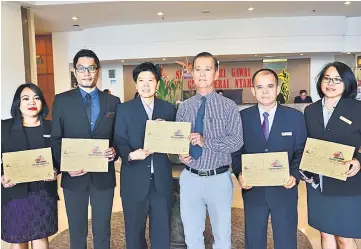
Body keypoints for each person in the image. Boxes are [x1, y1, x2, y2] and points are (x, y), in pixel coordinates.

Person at [51, 49, 121, 249]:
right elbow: (56, 138)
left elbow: (118, 137)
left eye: (91, 68)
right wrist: (65, 166)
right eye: (82, 68)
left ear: (97, 71)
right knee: (77, 231)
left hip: (103, 177)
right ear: (75, 71)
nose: (87, 72)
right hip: (74, 177)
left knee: (102, 230)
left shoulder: (113, 102)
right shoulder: (62, 100)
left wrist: (114, 150)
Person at [232, 68, 307, 249]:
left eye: (270, 86)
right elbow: (236, 151)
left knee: (286, 240)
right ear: (253, 90)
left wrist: (295, 175)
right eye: (260, 87)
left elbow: (301, 151)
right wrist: (239, 173)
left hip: (284, 190)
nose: (265, 91)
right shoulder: (241, 118)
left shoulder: (295, 117)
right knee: (254, 240)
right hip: (254, 191)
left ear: (278, 89)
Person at [176, 52, 243, 249]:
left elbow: (237, 141)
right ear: (192, 74)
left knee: (222, 237)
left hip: (218, 178)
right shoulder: (184, 107)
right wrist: (181, 154)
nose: (202, 74)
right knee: (192, 236)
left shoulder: (228, 107)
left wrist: (207, 142)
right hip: (190, 178)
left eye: (207, 69)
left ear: (216, 73)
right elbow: (179, 141)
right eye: (197, 69)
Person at [114, 62, 176, 249]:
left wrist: (165, 132)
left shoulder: (168, 109)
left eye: (151, 80)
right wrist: (131, 155)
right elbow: (119, 139)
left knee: (162, 232)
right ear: (136, 84)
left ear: (157, 84)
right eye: (141, 80)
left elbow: (176, 140)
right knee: (134, 234)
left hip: (161, 181)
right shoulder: (125, 109)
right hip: (134, 179)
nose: (146, 84)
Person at [303, 62, 361, 249]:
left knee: (344, 236)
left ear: (347, 83)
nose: (331, 83)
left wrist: (358, 161)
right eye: (327, 78)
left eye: (337, 79)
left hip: (347, 182)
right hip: (319, 182)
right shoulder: (310, 111)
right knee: (325, 232)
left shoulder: (357, 109)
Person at [1, 83, 58, 249]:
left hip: (43, 193)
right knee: (18, 240)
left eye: (36, 98)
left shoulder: (52, 127)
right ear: (17, 104)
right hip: (15, 193)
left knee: (40, 237)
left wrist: (55, 170)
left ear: (42, 103)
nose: (31, 102)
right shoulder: (4, 127)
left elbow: (59, 156)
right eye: (26, 98)